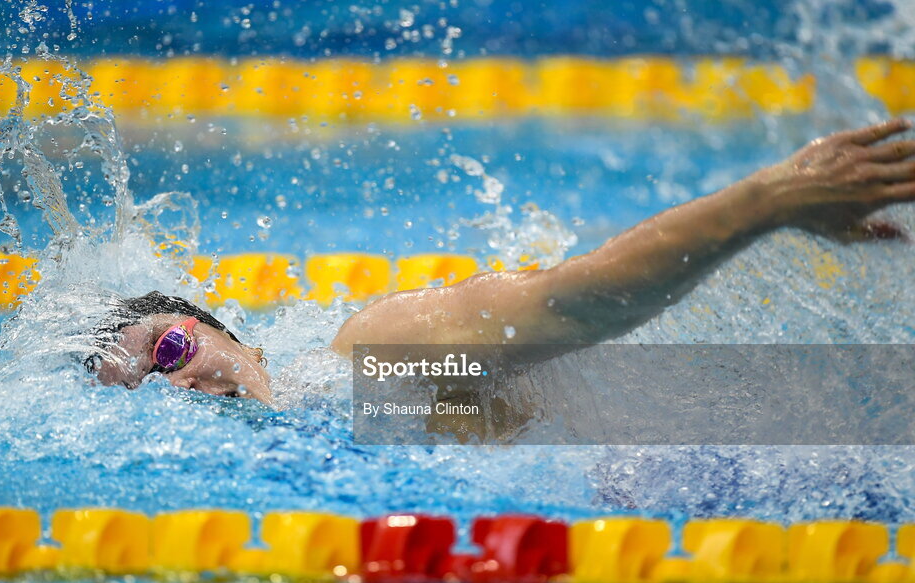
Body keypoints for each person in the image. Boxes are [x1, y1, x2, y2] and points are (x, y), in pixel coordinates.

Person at [87, 119, 915, 411]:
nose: (179, 387)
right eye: (148, 389)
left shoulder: (375, 361)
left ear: (241, 340)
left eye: (170, 350)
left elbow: (580, 303)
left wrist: (770, 201)